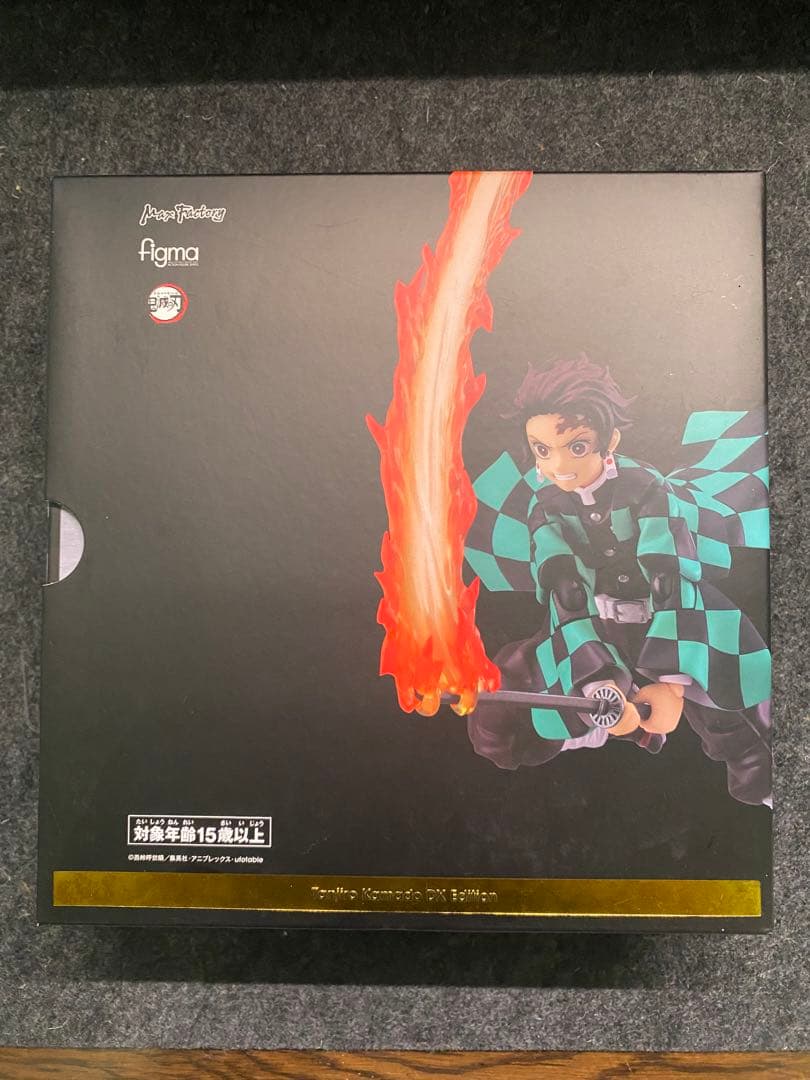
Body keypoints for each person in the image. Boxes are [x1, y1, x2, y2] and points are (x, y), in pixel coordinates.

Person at [464, 355, 772, 806]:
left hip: (678, 621)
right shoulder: (546, 505)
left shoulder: (645, 487)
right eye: (543, 450)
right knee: (497, 720)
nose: (559, 466)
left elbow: (670, 578)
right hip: (596, 626)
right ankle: (592, 728)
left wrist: (672, 685)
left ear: (609, 440)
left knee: (749, 725)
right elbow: (567, 597)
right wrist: (597, 686)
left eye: (577, 447)